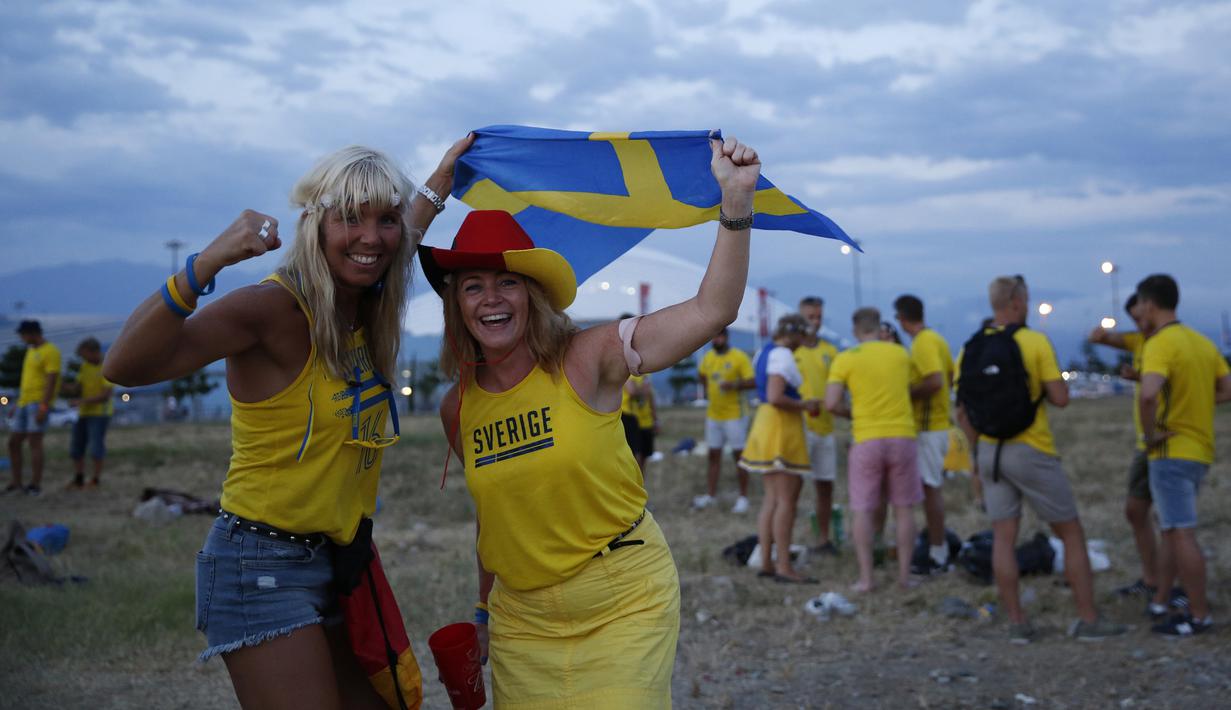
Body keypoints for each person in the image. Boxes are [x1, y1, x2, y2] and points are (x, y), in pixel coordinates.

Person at [103, 139, 471, 708]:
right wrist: (208, 261)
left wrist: (442, 178)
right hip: (260, 566)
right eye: (349, 218)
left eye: (386, 220)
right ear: (315, 225)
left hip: (338, 559)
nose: (370, 236)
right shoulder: (273, 310)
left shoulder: (364, 301)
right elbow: (123, 364)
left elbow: (402, 239)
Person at [429, 136, 761, 708]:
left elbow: (713, 310)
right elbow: (494, 517)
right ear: (456, 302)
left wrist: (735, 204)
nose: (491, 299)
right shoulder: (458, 404)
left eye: (507, 281)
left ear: (532, 294)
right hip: (521, 621)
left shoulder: (588, 356)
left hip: (621, 597)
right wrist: (482, 612)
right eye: (473, 286)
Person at [955, 275, 1126, 643]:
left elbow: (962, 412)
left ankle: (1017, 624)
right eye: (1027, 300)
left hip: (989, 453)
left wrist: (976, 450)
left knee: (1003, 538)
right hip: (1031, 450)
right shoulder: (1034, 341)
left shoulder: (970, 348)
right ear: (1016, 302)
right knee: (1070, 533)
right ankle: (1088, 619)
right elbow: (1061, 397)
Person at [1134, 274, 1231, 636]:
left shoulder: (1161, 344)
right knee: (1175, 529)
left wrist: (1150, 434)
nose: (1138, 312)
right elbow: (1227, 388)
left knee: (1181, 533)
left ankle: (1198, 614)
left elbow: (1148, 395)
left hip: (1170, 451)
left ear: (1150, 304)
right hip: (1199, 449)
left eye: (1140, 305)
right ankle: (1166, 599)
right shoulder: (1201, 343)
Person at [825, 307, 919, 592]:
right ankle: (904, 576)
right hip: (902, 435)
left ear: (855, 330)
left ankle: (867, 578)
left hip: (866, 438)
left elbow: (830, 403)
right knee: (904, 509)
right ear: (880, 328)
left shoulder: (846, 359)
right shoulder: (901, 355)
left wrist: (851, 413)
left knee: (863, 510)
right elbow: (911, 386)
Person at [1088, 294, 1167, 600]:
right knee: (1138, 512)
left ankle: (1167, 586)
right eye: (1134, 319)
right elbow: (1110, 339)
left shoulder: (1165, 343)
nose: (1139, 324)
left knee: (1170, 521)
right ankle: (1155, 579)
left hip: (1161, 441)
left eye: (1140, 317)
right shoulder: (1142, 341)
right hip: (1146, 442)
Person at [740, 313, 820, 583]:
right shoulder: (783, 354)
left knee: (772, 499)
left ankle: (767, 562)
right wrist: (805, 405)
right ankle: (784, 565)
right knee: (786, 500)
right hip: (781, 427)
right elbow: (776, 396)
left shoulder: (764, 351)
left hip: (765, 424)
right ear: (795, 334)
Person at [894, 294, 955, 573]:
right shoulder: (937, 339)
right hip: (937, 423)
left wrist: (904, 394)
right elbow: (950, 377)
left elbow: (935, 381)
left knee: (931, 490)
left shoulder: (923, 343)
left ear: (902, 318)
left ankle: (938, 551)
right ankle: (934, 543)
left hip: (930, 427)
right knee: (929, 488)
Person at [795, 296, 841, 554]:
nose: (815, 322)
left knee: (825, 486)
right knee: (792, 488)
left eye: (819, 317)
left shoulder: (830, 352)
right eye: (810, 317)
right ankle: (787, 541)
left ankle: (823, 539)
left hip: (825, 428)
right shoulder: (792, 352)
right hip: (798, 430)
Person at [694, 326, 754, 513]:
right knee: (713, 455)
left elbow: (752, 381)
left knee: (739, 457)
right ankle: (711, 495)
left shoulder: (739, 357)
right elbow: (702, 376)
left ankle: (743, 497)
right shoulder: (708, 358)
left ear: (726, 337)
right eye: (713, 337)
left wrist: (734, 385)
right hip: (714, 414)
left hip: (735, 415)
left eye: (719, 337)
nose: (716, 341)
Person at [5, 320, 61, 497]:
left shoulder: (50, 351)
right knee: (13, 442)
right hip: (24, 402)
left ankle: (35, 485)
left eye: (23, 334)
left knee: (34, 442)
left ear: (32, 333)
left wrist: (44, 406)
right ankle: (16, 482)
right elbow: (27, 380)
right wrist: (16, 404)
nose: (22, 338)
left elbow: (51, 380)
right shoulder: (30, 351)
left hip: (38, 402)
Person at [67, 337, 114, 490]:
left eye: (84, 354)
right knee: (77, 446)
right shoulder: (84, 367)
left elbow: (106, 395)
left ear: (93, 352)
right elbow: (77, 387)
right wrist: (62, 386)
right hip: (83, 413)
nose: (83, 358)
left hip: (100, 413)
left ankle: (95, 479)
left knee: (96, 446)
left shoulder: (107, 366)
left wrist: (82, 401)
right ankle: (79, 478)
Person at [621, 371, 657, 478]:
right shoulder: (628, 372)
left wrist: (655, 418)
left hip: (646, 420)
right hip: (630, 417)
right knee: (634, 454)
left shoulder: (646, 373)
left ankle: (640, 483)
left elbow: (650, 395)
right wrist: (643, 389)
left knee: (645, 454)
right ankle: (632, 481)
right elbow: (632, 391)